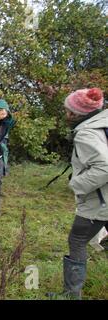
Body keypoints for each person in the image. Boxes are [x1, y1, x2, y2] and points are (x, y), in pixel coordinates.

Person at [50, 88, 107, 299]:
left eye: (67, 110)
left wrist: (77, 184)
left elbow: (104, 167)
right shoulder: (104, 124)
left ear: (76, 113)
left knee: (77, 239)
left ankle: (71, 295)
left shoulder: (87, 133)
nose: (65, 114)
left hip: (100, 201)